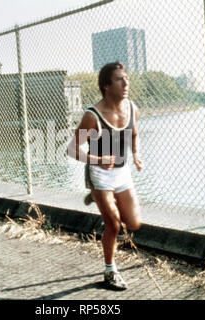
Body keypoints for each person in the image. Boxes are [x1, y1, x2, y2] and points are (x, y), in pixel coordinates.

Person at [67, 62, 143, 290]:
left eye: (126, 78)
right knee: (114, 225)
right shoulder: (93, 116)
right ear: (106, 86)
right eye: (120, 79)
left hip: (123, 173)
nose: (126, 82)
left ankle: (98, 197)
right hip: (99, 174)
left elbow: (135, 134)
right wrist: (97, 160)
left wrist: (137, 154)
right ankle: (110, 271)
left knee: (135, 223)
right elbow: (71, 149)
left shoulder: (132, 108)